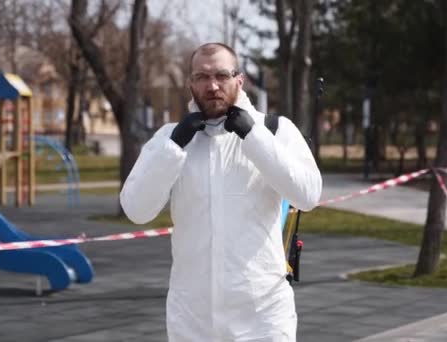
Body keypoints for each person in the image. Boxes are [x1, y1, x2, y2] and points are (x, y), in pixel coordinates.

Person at [120, 42, 322, 342]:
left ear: (239, 80)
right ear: (190, 84)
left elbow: (308, 194)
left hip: (262, 315)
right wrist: (174, 147)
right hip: (192, 317)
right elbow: (136, 209)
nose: (212, 85)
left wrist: (253, 135)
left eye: (222, 75)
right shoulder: (169, 139)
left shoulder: (275, 129)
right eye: (201, 76)